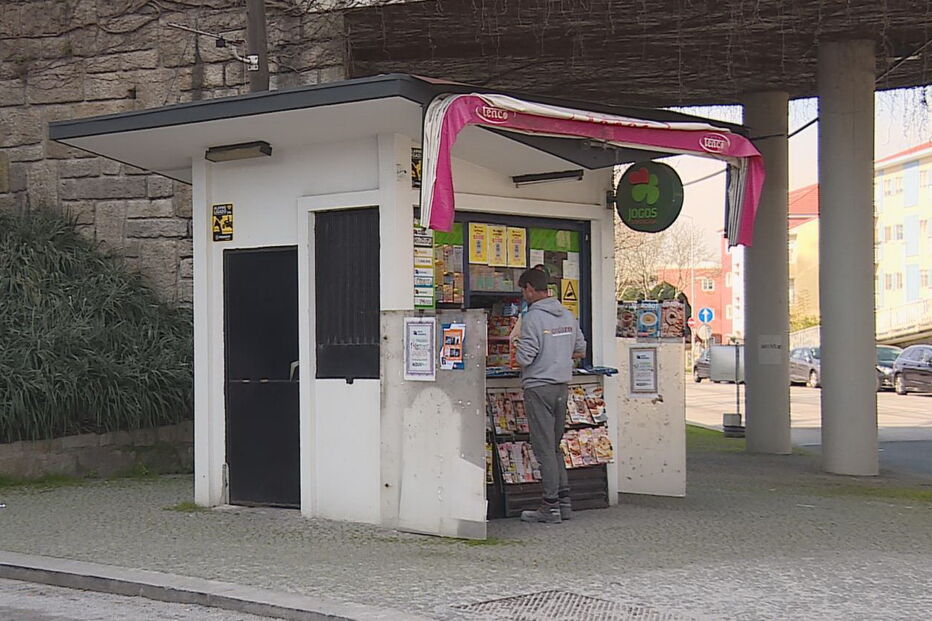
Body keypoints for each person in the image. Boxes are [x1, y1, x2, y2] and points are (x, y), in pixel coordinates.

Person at [514, 268, 587, 523]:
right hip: (561, 387)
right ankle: (564, 502)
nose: (524, 295)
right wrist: (558, 355)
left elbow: (525, 357)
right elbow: (580, 349)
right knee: (554, 447)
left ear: (531, 289)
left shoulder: (532, 318)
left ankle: (550, 506)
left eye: (523, 290)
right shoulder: (568, 315)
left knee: (543, 448)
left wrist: (518, 347)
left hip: (539, 387)